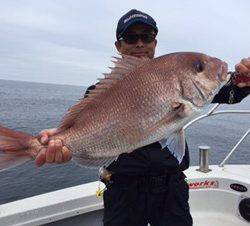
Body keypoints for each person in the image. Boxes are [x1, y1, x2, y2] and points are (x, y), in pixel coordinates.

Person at [35, 9, 250, 226]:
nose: (139, 43)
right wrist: (61, 146)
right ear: (119, 46)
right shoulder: (100, 92)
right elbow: (81, 131)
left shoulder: (174, 81)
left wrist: (243, 81)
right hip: (122, 191)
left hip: (171, 189)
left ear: (154, 43)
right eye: (131, 37)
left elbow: (228, 92)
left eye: (146, 37)